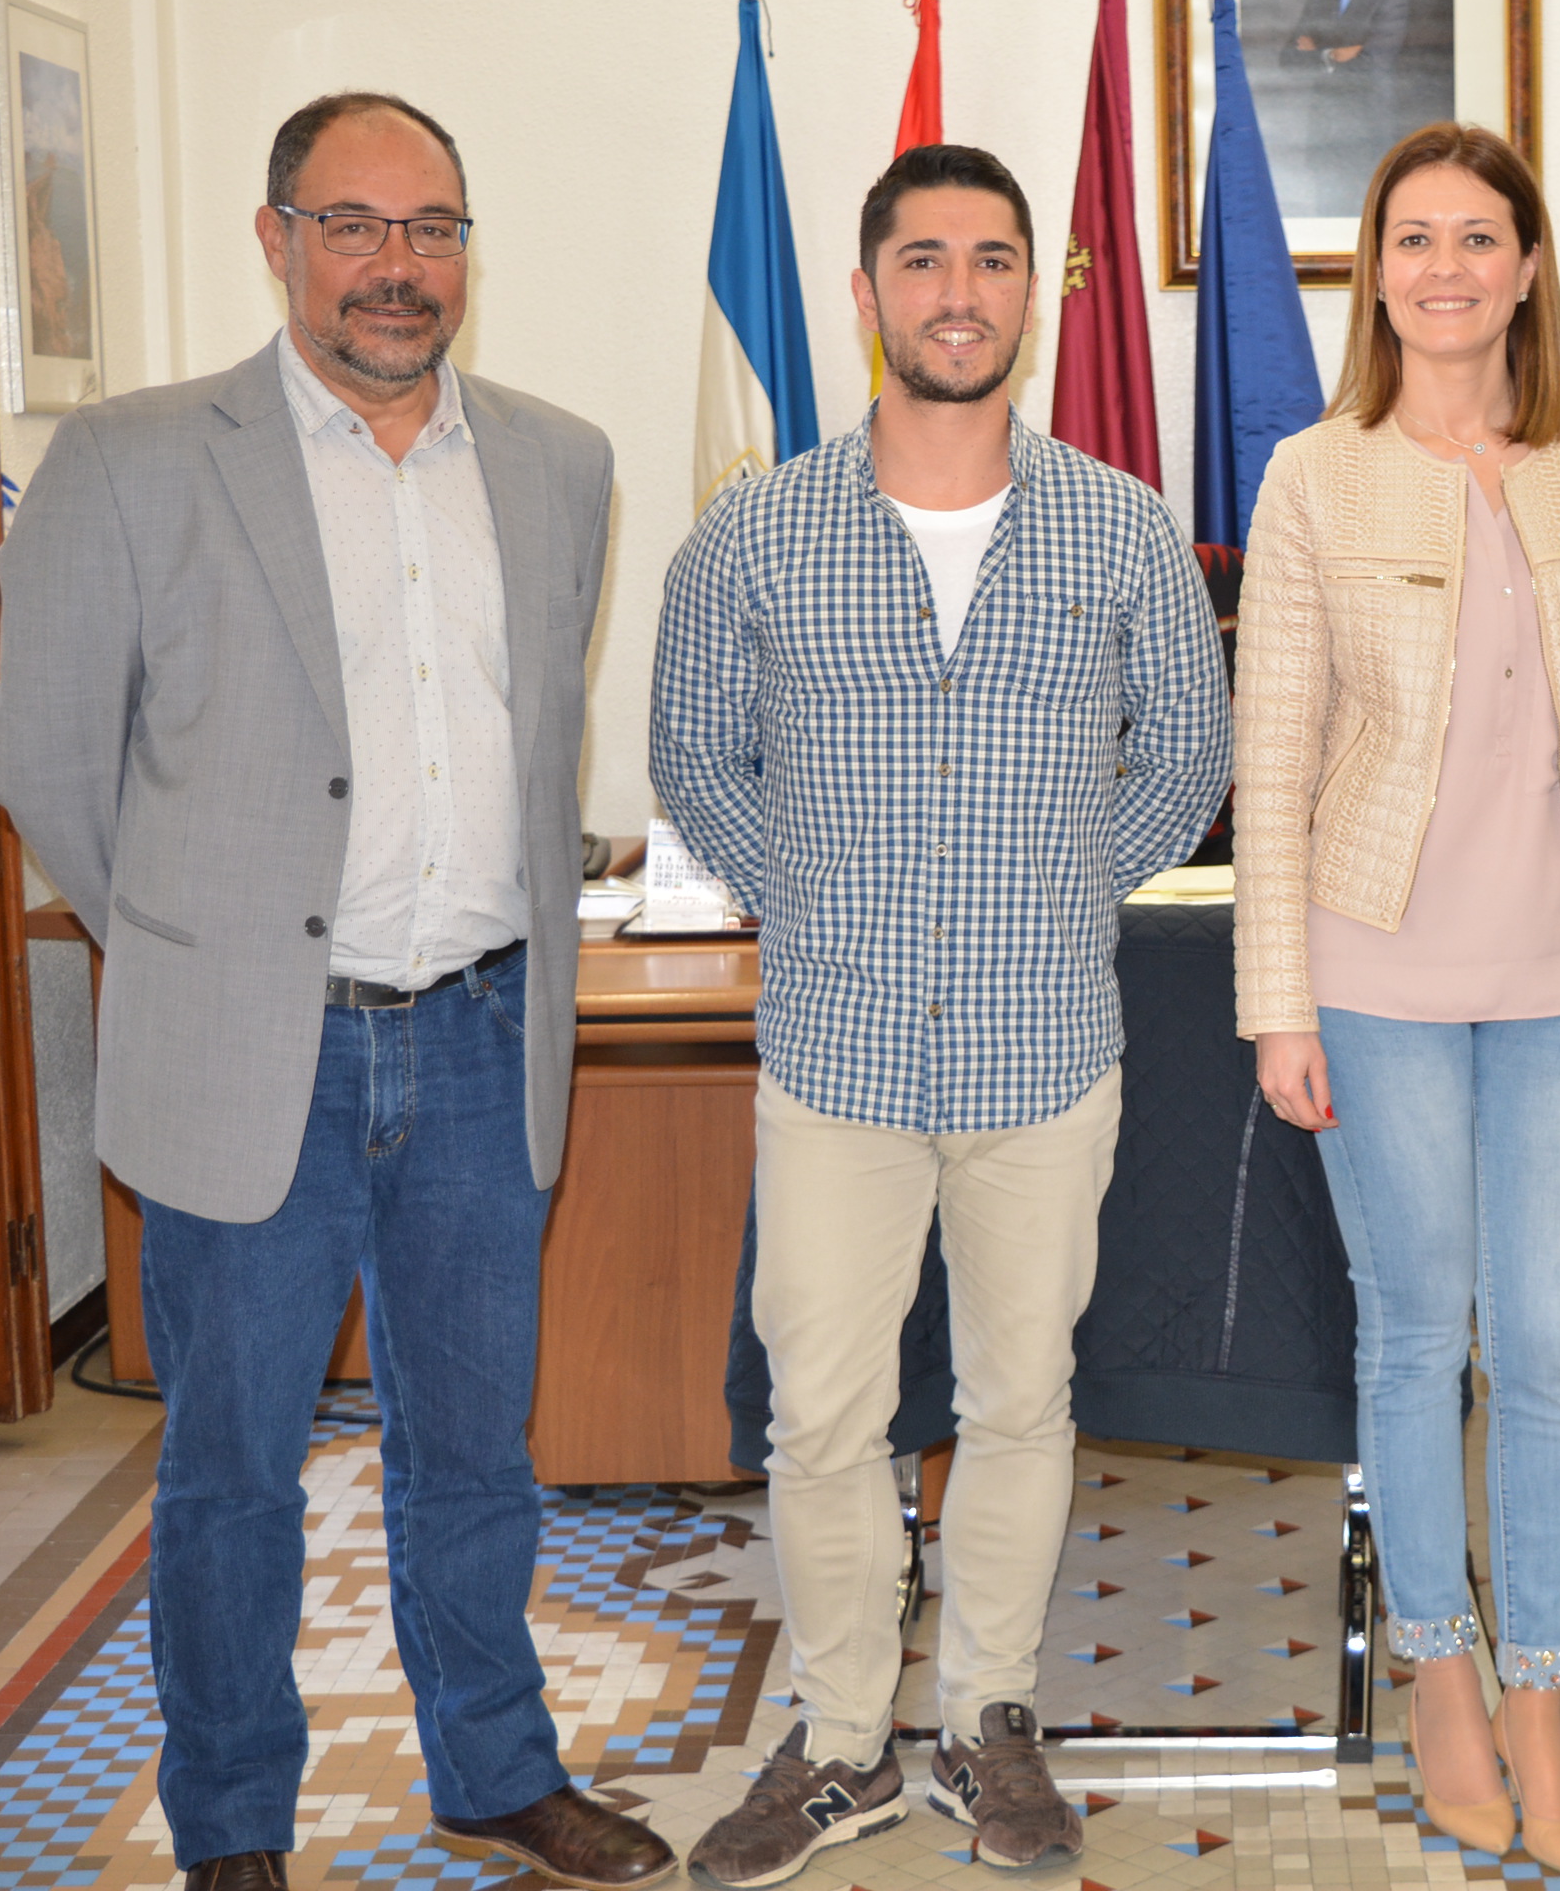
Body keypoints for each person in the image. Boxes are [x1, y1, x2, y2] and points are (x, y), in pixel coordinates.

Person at [0, 94, 662, 1891]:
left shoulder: (561, 462)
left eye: (431, 228)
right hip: (250, 1063)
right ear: (276, 238)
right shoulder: (133, 459)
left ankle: (493, 1770)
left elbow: (536, 747)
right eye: (353, 225)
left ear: (468, 252)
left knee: (476, 1456)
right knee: (230, 1477)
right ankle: (232, 1830)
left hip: (481, 1041)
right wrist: (196, 957)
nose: (396, 265)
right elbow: (46, 761)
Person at [652, 142, 1231, 1884]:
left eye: (991, 259)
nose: (957, 291)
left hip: (1041, 1056)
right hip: (834, 1058)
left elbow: (1184, 761)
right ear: (866, 293)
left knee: (1019, 1404)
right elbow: (695, 757)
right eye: (922, 259)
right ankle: (841, 1746)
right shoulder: (756, 532)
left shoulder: (1122, 528)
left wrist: (1052, 896)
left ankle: (988, 1723)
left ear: (1032, 294)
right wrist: (820, 902)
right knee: (820, 1421)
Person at [1233, 121, 1560, 1877]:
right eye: (1412, 238)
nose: (1444, 268)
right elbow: (1271, 765)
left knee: (1556, 1342)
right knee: (1419, 1333)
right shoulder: (1314, 478)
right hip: (1374, 974)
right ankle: (1437, 1668)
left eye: (1477, 237)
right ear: (1377, 273)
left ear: (1526, 268)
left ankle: (1539, 1692)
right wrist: (1278, 1005)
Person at [1279, 0, 1409, 211]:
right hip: (1325, 133)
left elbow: (1374, 61)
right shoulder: (1318, 1)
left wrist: (1317, 52)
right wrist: (1334, 55)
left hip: (1369, 133)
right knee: (1327, 214)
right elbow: (1288, 58)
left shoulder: (1391, 0)